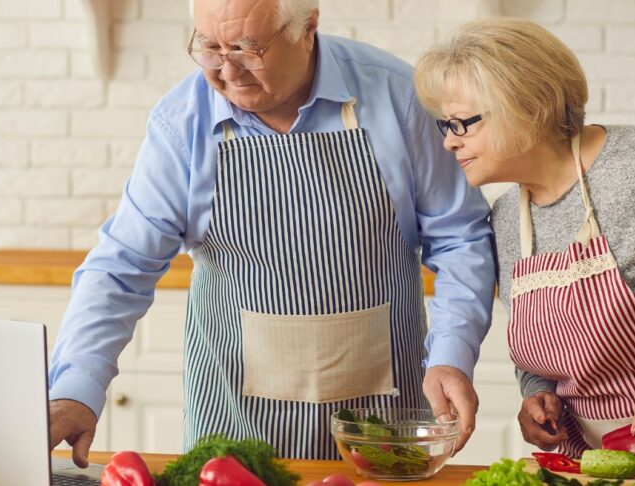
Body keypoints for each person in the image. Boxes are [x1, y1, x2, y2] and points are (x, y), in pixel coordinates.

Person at [46, 0, 497, 465]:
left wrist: (450, 355)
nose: (227, 70)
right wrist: (77, 387)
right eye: (209, 46)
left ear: (308, 28)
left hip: (381, 427)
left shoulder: (395, 95)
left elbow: (461, 238)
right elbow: (122, 267)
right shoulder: (181, 124)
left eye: (246, 47)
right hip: (233, 431)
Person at [414, 18, 635, 464]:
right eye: (446, 125)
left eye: (461, 124)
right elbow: (541, 349)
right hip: (600, 468)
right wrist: (537, 395)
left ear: (525, 106)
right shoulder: (506, 219)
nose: (449, 143)